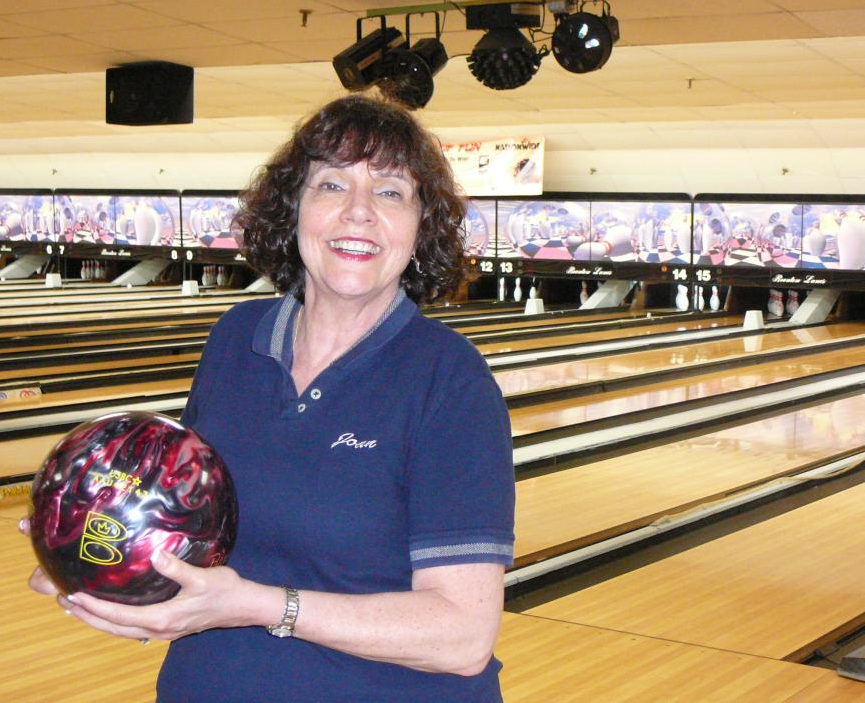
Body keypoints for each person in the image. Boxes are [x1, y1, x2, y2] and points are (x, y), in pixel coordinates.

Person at [25, 94, 515, 702]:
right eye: (332, 185)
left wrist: (257, 606)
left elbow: (463, 637)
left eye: (390, 192)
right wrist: (97, 555)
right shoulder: (236, 338)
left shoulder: (449, 381)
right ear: (294, 211)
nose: (358, 212)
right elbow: (190, 523)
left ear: (421, 228)